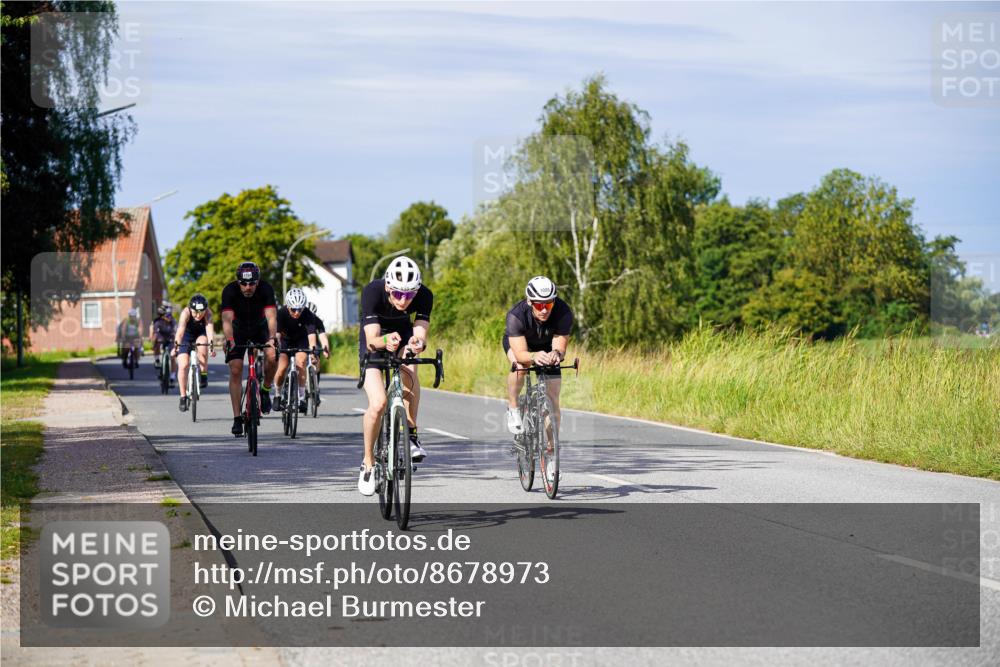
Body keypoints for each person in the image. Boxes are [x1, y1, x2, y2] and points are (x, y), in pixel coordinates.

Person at [357, 256, 433, 496]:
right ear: (388, 287)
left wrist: (417, 343)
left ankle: (411, 434)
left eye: (409, 295)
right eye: (399, 294)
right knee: (378, 403)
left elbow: (420, 332)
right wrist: (384, 341)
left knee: (410, 369)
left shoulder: (425, 295)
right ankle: (368, 463)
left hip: (402, 334)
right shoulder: (372, 292)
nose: (403, 300)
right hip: (375, 339)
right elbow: (372, 339)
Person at [503, 276, 573, 435]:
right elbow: (520, 354)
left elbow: (560, 347)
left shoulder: (563, 312)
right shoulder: (516, 316)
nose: (544, 310)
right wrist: (533, 356)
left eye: (548, 304)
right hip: (521, 345)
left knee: (553, 399)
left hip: (548, 345)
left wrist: (556, 354)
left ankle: (551, 451)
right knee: (521, 367)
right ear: (529, 301)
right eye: (539, 304)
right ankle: (513, 406)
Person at [220, 261, 278, 436]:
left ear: (258, 281)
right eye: (244, 283)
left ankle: (266, 389)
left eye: (252, 283)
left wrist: (273, 338)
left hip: (260, 328)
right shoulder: (229, 291)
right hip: (238, 330)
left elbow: (271, 317)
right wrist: (229, 339)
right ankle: (237, 418)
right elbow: (227, 319)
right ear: (238, 282)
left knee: (272, 354)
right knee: (236, 369)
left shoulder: (267, 289)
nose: (248, 287)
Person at [273, 287, 319, 414]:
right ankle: (277, 394)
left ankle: (302, 397)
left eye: (300, 309)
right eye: (294, 309)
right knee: (282, 367)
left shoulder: (308, 315)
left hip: (301, 340)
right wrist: (276, 347)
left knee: (302, 362)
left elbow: (311, 336)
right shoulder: (281, 313)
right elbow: (276, 334)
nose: (297, 312)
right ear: (288, 307)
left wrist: (314, 352)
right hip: (285, 340)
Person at [172, 294, 216, 412]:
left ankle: (203, 373)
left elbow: (210, 331)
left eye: (201, 312)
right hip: (186, 336)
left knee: (203, 344)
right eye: (195, 312)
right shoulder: (185, 313)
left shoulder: (208, 314)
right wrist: (176, 346)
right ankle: (182, 396)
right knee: (183, 365)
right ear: (190, 309)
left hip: (200, 334)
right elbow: (180, 332)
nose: (198, 315)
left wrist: (211, 347)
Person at [150, 304, 178, 383]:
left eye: (169, 316)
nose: (167, 318)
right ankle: (157, 360)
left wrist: (177, 342)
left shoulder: (173, 321)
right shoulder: (158, 321)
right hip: (161, 337)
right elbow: (155, 333)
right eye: (166, 316)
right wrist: (153, 344)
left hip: (170, 338)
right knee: (157, 342)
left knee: (172, 357)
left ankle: (172, 376)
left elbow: (176, 331)